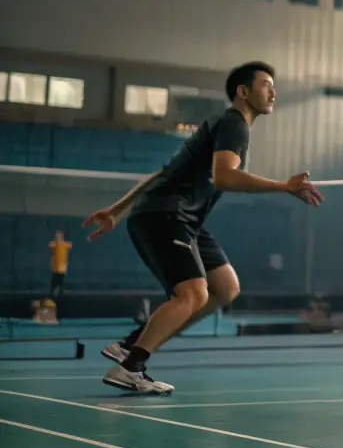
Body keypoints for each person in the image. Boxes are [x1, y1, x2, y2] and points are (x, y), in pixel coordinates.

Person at [82, 62, 323, 395]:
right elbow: (225, 176)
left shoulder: (222, 125)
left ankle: (133, 345)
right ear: (244, 91)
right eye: (266, 84)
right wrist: (284, 186)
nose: (273, 92)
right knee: (194, 293)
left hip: (180, 217)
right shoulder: (234, 124)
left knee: (225, 288)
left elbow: (163, 172)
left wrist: (117, 210)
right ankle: (131, 367)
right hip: (167, 214)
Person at [48, 229, 72, 300]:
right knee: (55, 277)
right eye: (57, 235)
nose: (57, 237)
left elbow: (69, 245)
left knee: (61, 277)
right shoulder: (54, 244)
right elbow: (51, 245)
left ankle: (60, 290)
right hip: (55, 263)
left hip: (62, 263)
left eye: (59, 235)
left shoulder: (64, 244)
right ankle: (53, 290)